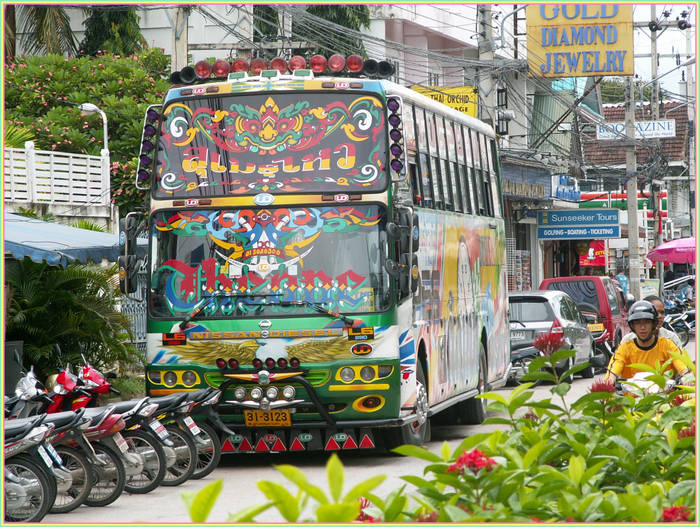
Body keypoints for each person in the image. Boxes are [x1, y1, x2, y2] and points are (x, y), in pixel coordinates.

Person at [605, 300, 692, 384]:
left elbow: (679, 362)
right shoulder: (625, 347)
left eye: (647, 322)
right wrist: (610, 380)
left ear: (653, 324)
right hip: (631, 396)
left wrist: (686, 376)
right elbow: (616, 363)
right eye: (638, 323)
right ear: (632, 325)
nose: (642, 327)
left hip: (664, 395)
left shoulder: (668, 344)